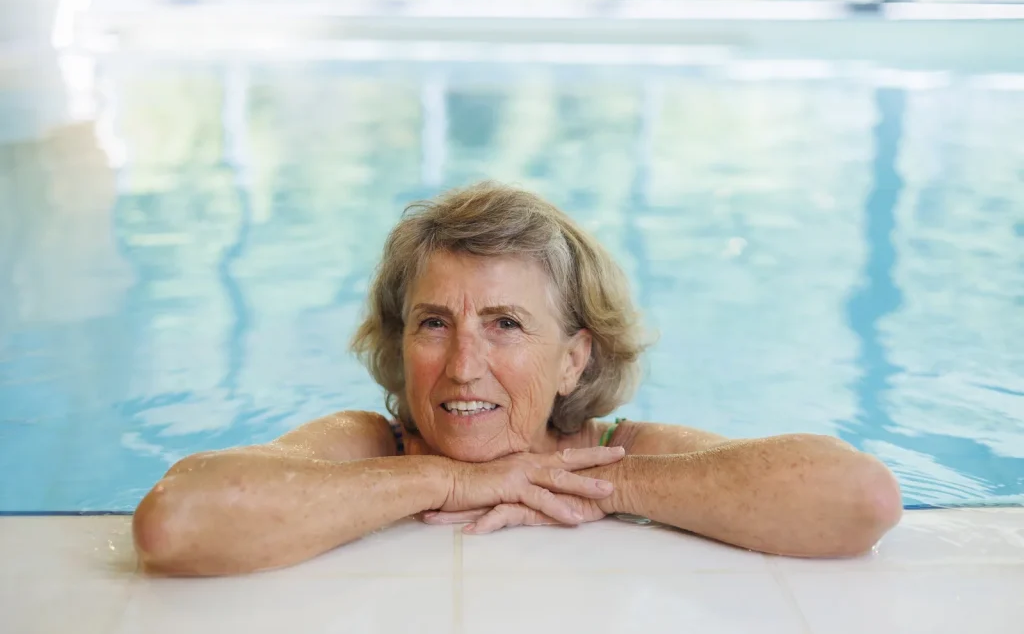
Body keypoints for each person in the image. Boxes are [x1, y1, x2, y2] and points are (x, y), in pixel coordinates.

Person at [132, 182, 903, 576]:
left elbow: (860, 498)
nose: (463, 364)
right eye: (434, 323)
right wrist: (443, 481)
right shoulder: (371, 443)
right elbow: (178, 520)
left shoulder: (615, 451)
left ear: (575, 357)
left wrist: (614, 488)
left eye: (505, 323)